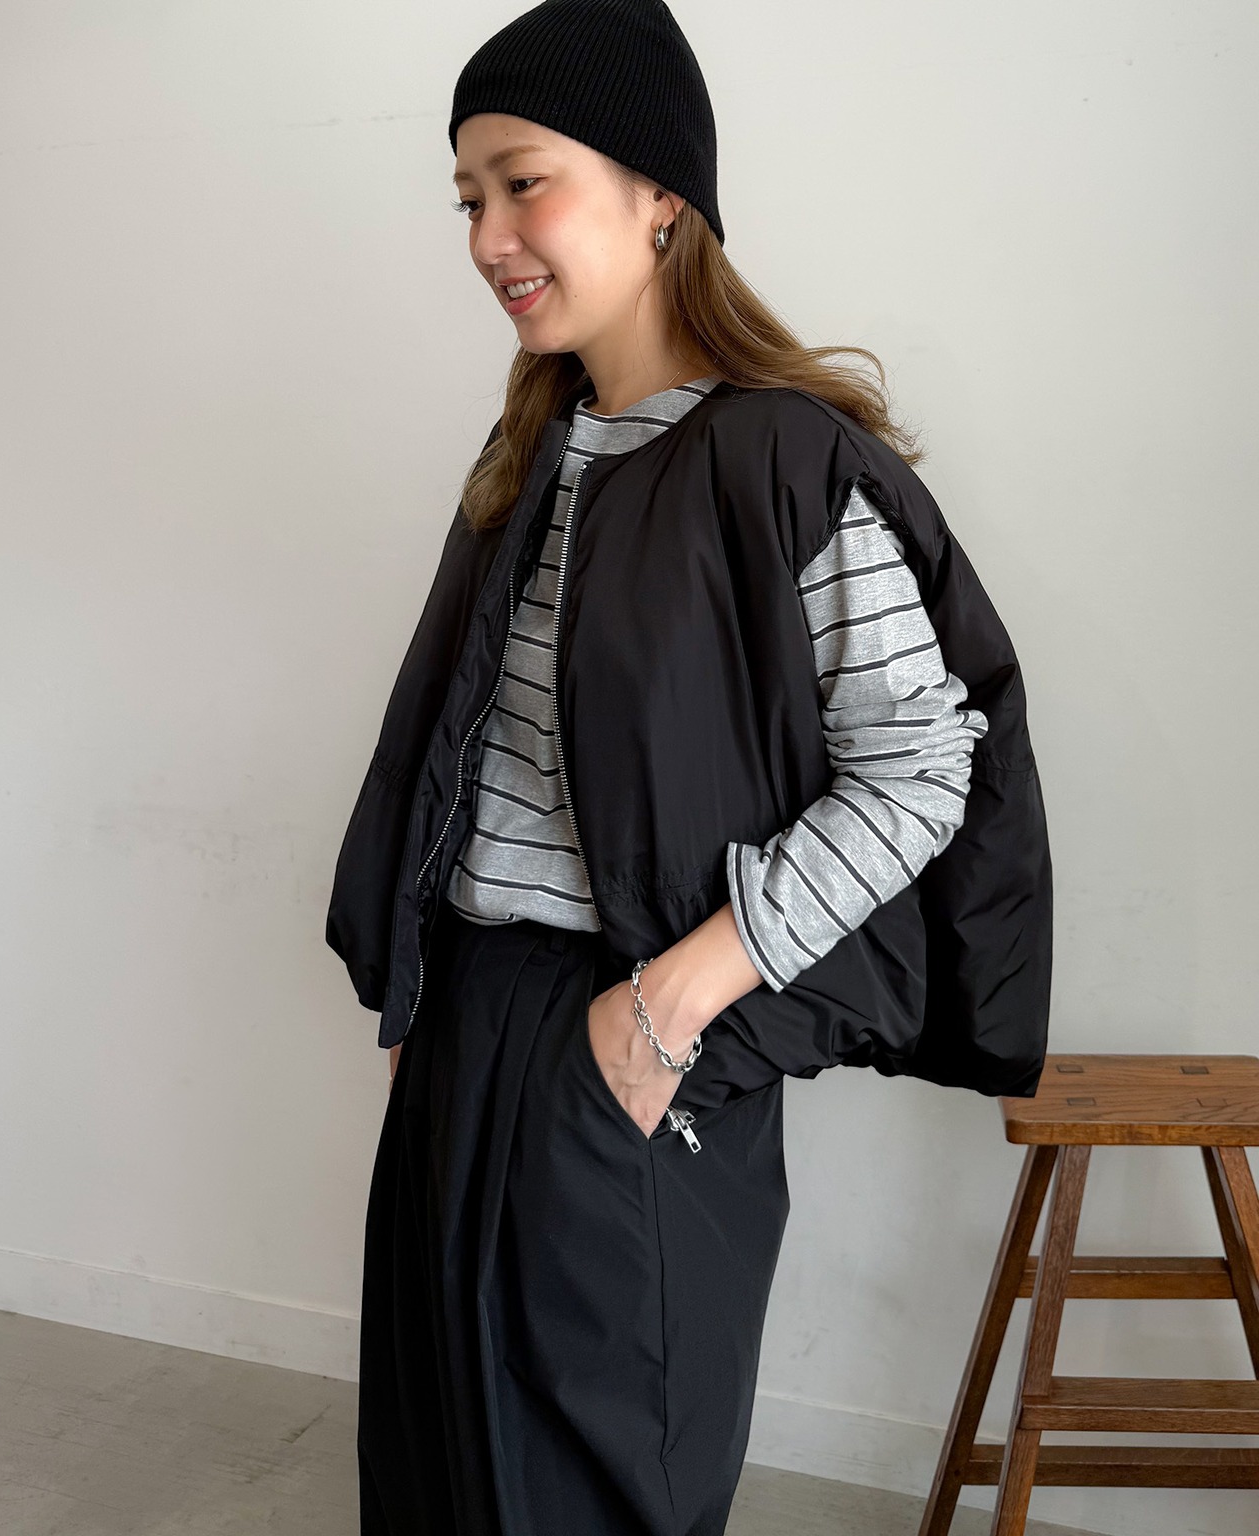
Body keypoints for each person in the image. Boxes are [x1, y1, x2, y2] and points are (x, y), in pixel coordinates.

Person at [325, 2, 1053, 1532]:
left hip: (638, 1027)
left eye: (525, 183)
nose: (489, 238)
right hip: (470, 1022)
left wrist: (667, 1010)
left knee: (602, 1486)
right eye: (469, 199)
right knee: (441, 1475)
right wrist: (423, 989)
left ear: (662, 193)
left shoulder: (781, 456)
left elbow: (926, 763)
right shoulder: (536, 453)